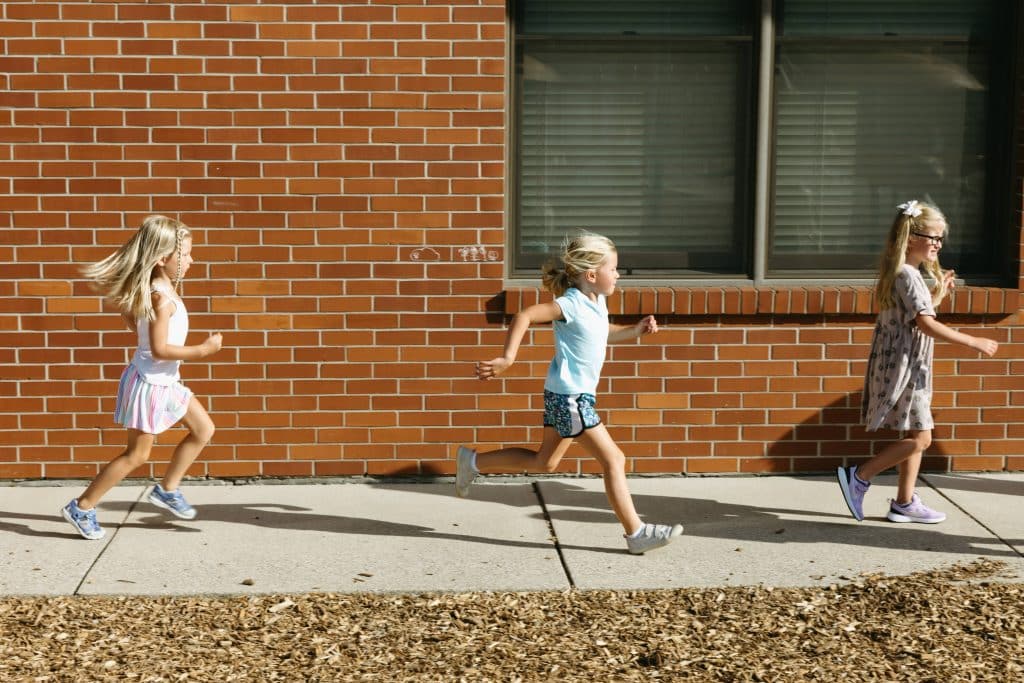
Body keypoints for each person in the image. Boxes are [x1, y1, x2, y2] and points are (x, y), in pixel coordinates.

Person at [455, 232, 683, 554]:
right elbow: (526, 315)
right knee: (614, 459)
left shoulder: (597, 302)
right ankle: (636, 533)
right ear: (592, 275)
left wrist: (635, 330)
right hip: (571, 398)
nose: (618, 274)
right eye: (614, 269)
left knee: (545, 463)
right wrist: (508, 358)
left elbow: (602, 334)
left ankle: (473, 462)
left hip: (567, 395)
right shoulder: (571, 303)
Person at [61, 215, 223, 540]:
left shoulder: (159, 288)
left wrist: (142, 334)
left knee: (204, 428)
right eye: (187, 254)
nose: (192, 259)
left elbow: (134, 320)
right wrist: (202, 351)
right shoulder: (161, 298)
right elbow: (162, 349)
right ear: (163, 259)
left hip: (165, 382)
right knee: (137, 455)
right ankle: (82, 506)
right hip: (150, 385)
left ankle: (167, 489)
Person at [837, 200, 998, 524]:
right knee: (922, 438)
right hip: (908, 367)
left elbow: (913, 317)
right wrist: (973, 341)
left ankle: (904, 501)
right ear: (911, 237)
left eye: (941, 238)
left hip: (904, 362)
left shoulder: (903, 274)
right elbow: (924, 324)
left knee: (914, 432)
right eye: (932, 237)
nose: (938, 244)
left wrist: (937, 295)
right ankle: (861, 476)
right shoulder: (909, 276)